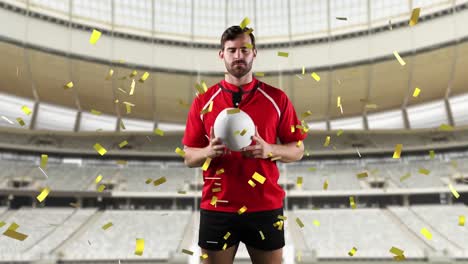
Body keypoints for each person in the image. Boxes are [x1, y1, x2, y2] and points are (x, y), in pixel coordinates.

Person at [182, 25, 307, 264]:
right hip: (218, 207)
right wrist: (209, 152)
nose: (238, 55)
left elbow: (298, 149)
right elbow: (188, 157)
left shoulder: (277, 98)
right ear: (222, 55)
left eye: (244, 49)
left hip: (264, 205)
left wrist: (269, 149)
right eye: (231, 50)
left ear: (254, 53)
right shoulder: (203, 102)